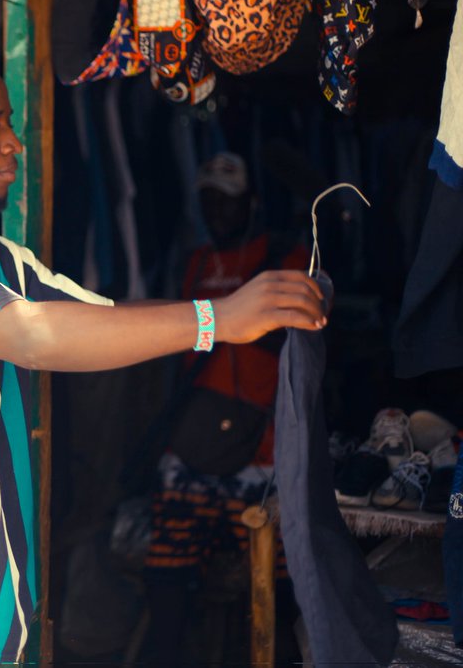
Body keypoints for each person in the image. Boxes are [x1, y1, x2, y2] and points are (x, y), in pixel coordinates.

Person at [0, 33, 326, 666]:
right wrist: (217, 318)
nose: (13, 143)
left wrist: (241, 309)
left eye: (9, 123)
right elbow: (33, 335)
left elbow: (104, 319)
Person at [139, 152, 306, 663]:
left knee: (273, 587)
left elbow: (302, 344)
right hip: (194, 439)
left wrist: (240, 320)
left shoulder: (285, 259)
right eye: (208, 201)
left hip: (262, 448)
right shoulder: (195, 262)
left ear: (250, 203)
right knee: (167, 575)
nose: (217, 212)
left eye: (227, 202)